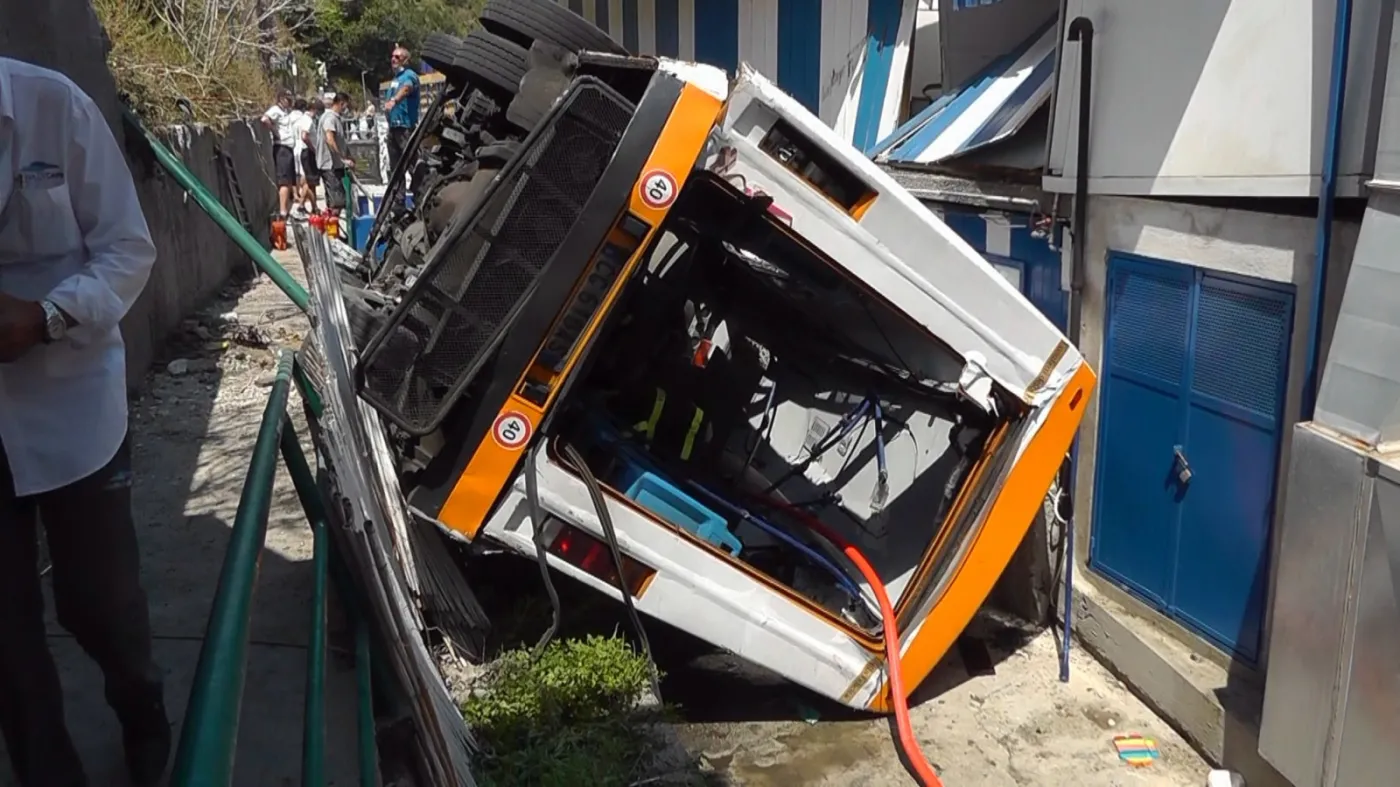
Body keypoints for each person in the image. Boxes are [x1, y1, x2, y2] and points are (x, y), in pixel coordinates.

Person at [0, 57, 168, 787]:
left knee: (100, 604)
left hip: (74, 406)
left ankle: (144, 713)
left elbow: (128, 249)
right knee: (6, 637)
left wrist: (48, 315)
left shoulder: (53, 107)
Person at [260, 88, 300, 218]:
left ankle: (286, 209)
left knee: (289, 181)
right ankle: (282, 211)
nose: (289, 102)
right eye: (287, 99)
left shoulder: (285, 112)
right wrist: (274, 131)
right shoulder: (275, 110)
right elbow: (264, 119)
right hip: (282, 148)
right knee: (284, 181)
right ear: (281, 99)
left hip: (288, 148)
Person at [315, 92, 354, 222]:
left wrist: (349, 156)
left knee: (337, 201)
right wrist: (342, 158)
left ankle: (331, 226)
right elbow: (330, 139)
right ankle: (331, 229)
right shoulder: (330, 118)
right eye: (346, 106)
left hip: (335, 165)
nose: (346, 109)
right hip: (329, 165)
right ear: (341, 103)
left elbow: (340, 141)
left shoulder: (336, 118)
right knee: (337, 203)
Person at [382, 46, 420, 178]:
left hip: (405, 128)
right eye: (392, 56)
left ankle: (422, 188)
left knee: (412, 164)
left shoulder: (409, 75)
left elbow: (407, 88)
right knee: (396, 169)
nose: (393, 59)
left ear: (405, 60)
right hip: (393, 128)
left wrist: (394, 100)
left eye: (397, 57)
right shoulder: (395, 79)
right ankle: (397, 192)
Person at [294, 97, 320, 217]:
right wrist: (313, 149)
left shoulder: (302, 119)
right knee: (311, 182)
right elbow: (304, 136)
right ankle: (313, 207)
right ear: (313, 109)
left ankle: (304, 205)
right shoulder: (308, 120)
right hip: (308, 152)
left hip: (303, 151)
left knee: (308, 181)